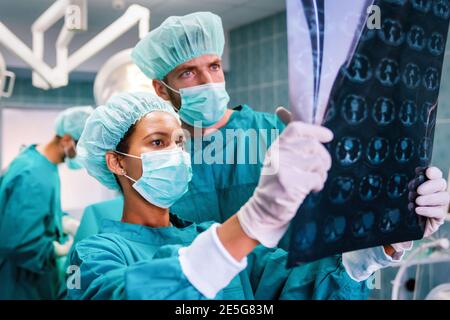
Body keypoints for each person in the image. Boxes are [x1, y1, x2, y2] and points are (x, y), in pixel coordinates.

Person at [66, 92, 449, 300]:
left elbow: (305, 286)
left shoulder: (209, 237)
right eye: (157, 142)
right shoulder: (96, 255)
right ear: (117, 162)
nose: (175, 153)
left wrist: (381, 239)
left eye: (180, 142)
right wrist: (253, 222)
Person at [132, 12, 286, 224]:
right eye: (188, 73)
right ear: (161, 89)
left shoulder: (274, 131)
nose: (208, 81)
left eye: (214, 66)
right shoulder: (159, 157)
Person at [0, 106, 93, 299]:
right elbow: (20, 243)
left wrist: (64, 222)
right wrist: (58, 250)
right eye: (83, 148)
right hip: (21, 285)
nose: (85, 155)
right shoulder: (33, 174)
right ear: (66, 140)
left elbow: (39, 212)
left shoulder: (41, 163)